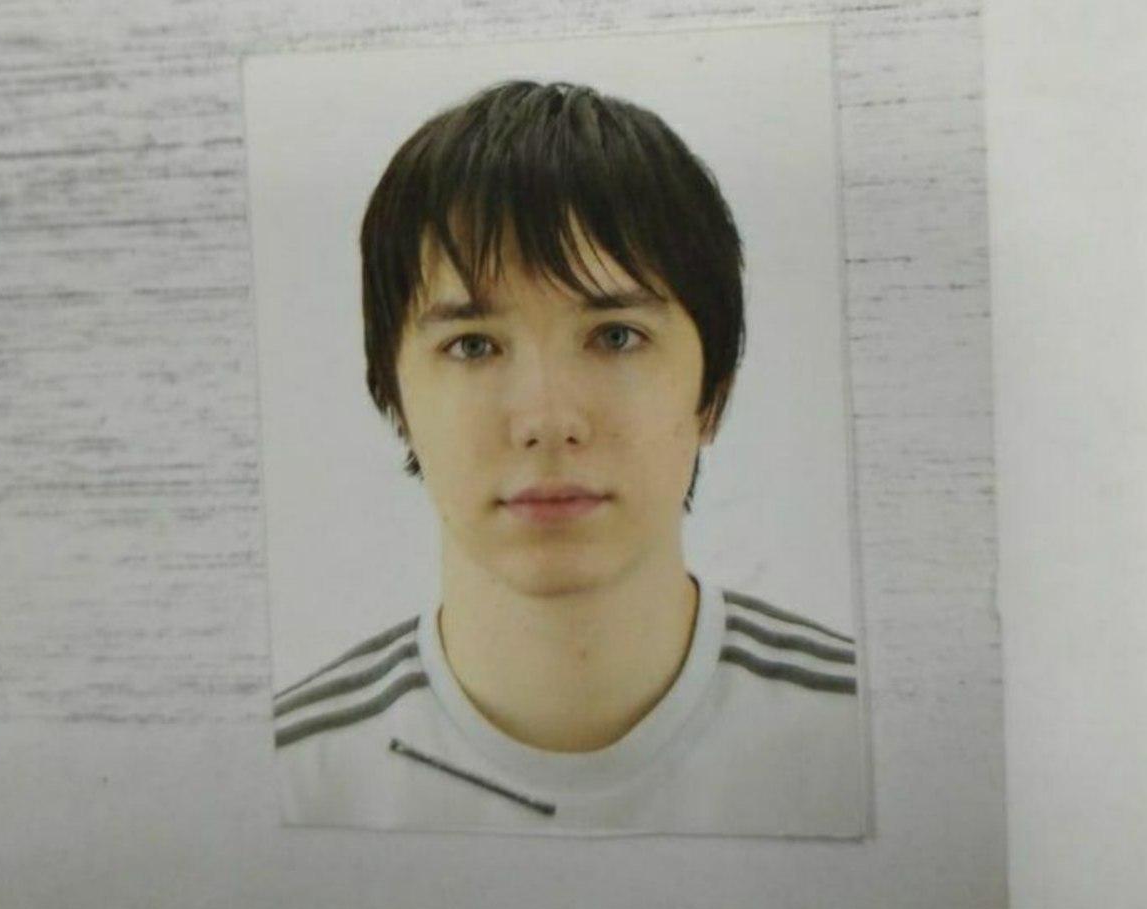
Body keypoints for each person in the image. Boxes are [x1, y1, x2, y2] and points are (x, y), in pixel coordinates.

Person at [272, 80, 865, 836]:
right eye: (472, 345)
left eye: (616, 336)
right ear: (394, 396)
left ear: (713, 390)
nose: (548, 421)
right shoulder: (287, 785)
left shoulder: (882, 745)